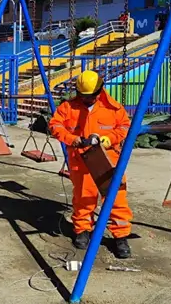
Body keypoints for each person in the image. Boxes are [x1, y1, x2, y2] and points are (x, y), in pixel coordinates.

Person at [48, 70, 133, 259]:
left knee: (116, 199)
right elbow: (55, 125)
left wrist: (108, 139)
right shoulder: (68, 108)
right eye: (83, 96)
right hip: (81, 161)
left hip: (108, 161)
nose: (87, 100)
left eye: (90, 96)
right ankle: (82, 230)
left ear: (99, 92)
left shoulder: (113, 108)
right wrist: (73, 139)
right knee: (84, 198)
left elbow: (125, 127)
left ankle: (120, 237)